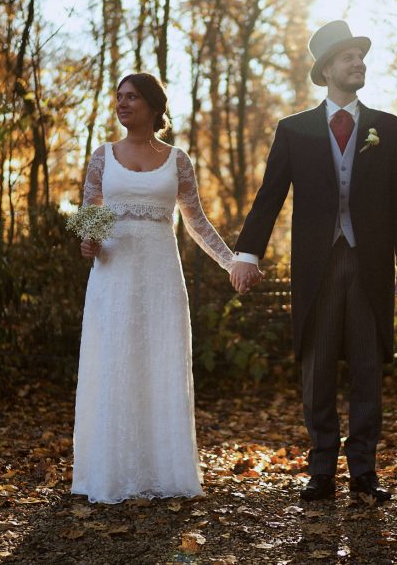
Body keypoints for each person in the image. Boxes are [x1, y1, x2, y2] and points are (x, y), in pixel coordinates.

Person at [229, 20, 397, 503]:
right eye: (347, 57)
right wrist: (248, 254)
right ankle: (321, 472)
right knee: (316, 372)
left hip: (370, 264)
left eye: (361, 56)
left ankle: (363, 473)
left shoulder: (390, 129)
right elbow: (269, 196)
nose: (358, 63)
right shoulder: (293, 130)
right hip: (315, 267)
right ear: (327, 69)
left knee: (367, 369)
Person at [72, 73, 234, 504]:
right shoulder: (102, 157)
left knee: (159, 362)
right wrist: (88, 242)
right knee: (115, 363)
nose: (123, 104)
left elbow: (196, 221)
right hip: (113, 276)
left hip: (161, 276)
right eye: (119, 97)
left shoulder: (177, 160)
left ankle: (163, 471)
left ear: (153, 105)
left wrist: (231, 261)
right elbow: (89, 219)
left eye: (132, 97)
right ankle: (111, 472)